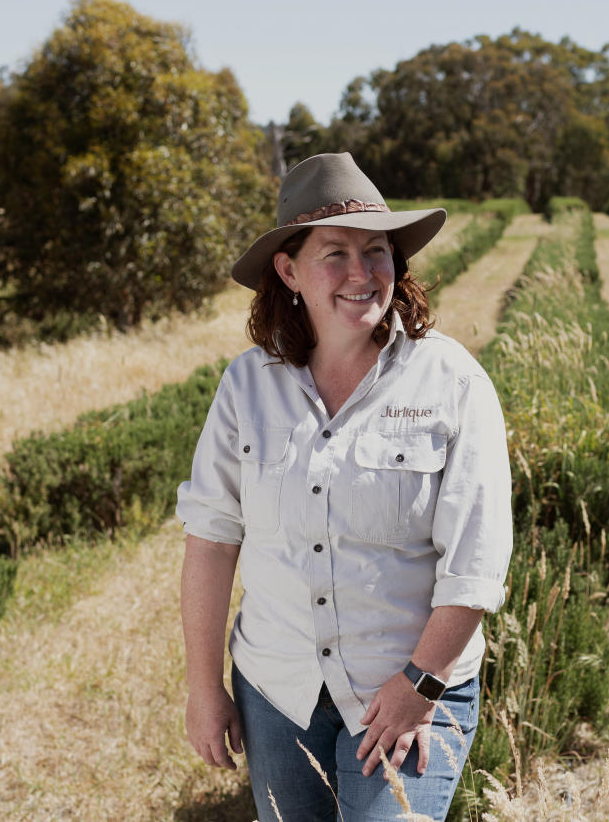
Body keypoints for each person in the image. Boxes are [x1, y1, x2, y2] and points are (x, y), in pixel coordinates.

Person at [176, 152, 512, 821]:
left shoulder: (450, 381)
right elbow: (211, 541)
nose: (362, 274)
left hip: (411, 689)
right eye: (336, 253)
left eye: (377, 251)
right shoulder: (247, 386)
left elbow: (475, 564)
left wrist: (421, 682)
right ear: (289, 270)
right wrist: (203, 686)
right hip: (278, 692)